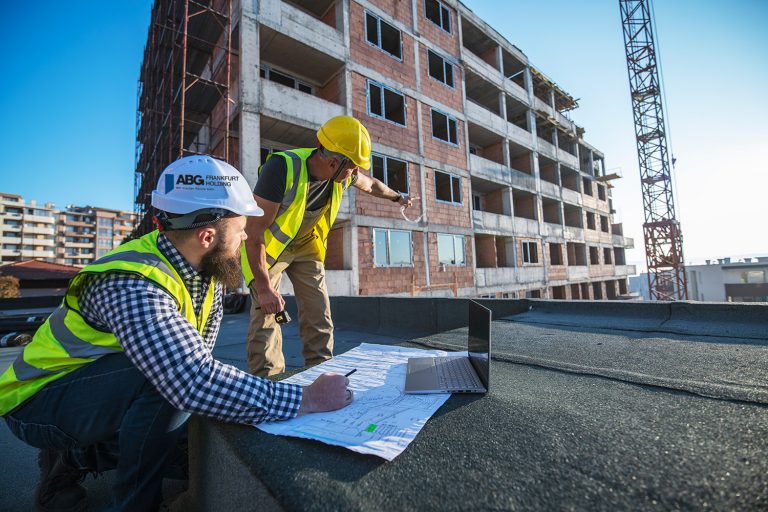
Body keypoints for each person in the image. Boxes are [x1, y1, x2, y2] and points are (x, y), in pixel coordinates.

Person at [0, 156, 353, 512]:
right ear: (206, 235)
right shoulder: (133, 282)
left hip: (98, 387)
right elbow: (189, 378)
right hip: (36, 403)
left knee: (194, 439)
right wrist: (306, 398)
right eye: (241, 227)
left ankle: (78, 455)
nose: (247, 236)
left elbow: (201, 364)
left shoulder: (206, 270)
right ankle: (130, 502)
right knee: (162, 377)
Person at [243, 115, 413, 377]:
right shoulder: (281, 168)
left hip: (307, 245)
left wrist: (398, 198)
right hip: (270, 248)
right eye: (353, 167)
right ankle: (268, 381)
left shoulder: (341, 174)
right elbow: (253, 232)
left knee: (319, 312)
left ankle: (320, 372)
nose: (356, 174)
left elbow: (372, 185)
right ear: (334, 161)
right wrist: (264, 288)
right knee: (266, 314)